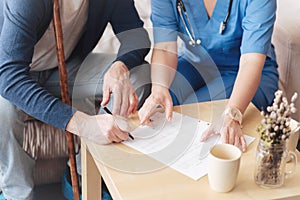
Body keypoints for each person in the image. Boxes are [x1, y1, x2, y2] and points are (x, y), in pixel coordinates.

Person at [0, 0, 151, 199]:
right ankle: (17, 194)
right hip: (10, 74)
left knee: (139, 75)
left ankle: (83, 175)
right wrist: (85, 124)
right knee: (3, 111)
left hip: (65, 67)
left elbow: (135, 34)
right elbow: (9, 77)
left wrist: (120, 66)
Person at [138, 0, 279, 152]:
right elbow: (164, 48)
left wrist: (233, 113)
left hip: (245, 70)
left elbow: (251, 61)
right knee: (159, 109)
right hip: (194, 63)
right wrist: (159, 88)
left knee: (194, 112)